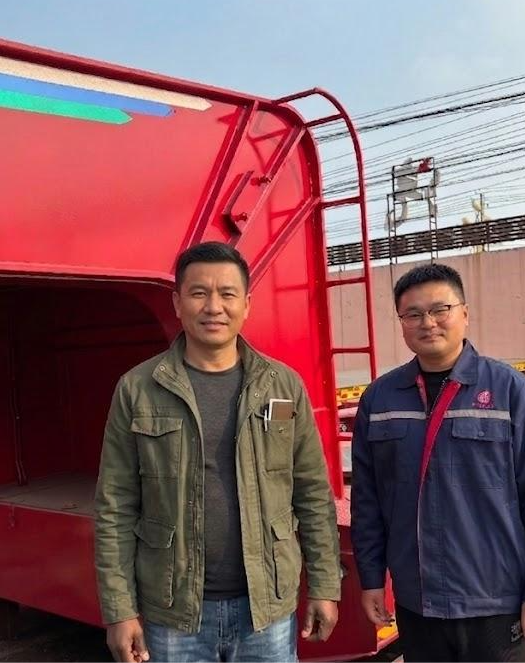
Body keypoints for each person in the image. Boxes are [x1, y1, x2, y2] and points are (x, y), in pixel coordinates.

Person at [94, 241, 341, 663]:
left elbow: (313, 494)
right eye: (198, 293)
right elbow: (115, 506)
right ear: (177, 303)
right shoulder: (138, 389)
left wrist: (324, 585)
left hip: (266, 608)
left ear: (246, 304)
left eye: (227, 294)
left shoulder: (282, 386)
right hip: (173, 612)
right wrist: (120, 610)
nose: (214, 307)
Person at [351, 263, 525, 663]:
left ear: (464, 314)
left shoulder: (508, 390)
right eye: (413, 314)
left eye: (440, 310)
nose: (427, 323)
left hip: (494, 599)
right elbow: (368, 501)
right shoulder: (380, 400)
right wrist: (371, 579)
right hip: (418, 600)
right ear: (401, 323)